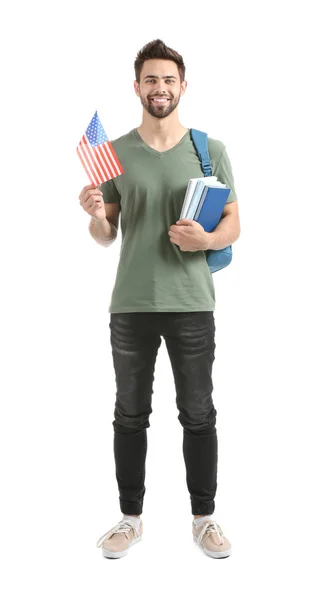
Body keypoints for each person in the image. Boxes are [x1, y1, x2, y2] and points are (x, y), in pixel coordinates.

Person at [79, 39, 240, 559]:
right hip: (130, 304)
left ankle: (204, 519)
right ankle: (130, 519)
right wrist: (96, 215)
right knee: (130, 413)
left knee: (198, 412)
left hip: (193, 301)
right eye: (151, 80)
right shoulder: (115, 154)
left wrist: (209, 240)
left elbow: (235, 221)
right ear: (137, 88)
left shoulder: (208, 149)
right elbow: (106, 234)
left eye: (168, 79)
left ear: (183, 86)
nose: (160, 88)